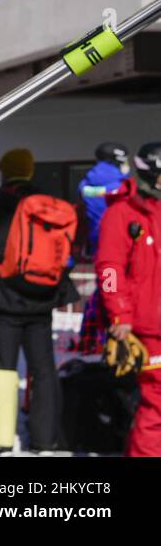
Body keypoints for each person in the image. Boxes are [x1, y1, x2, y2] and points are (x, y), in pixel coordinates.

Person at [0, 148, 78, 453]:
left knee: (3, 368)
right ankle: (45, 438)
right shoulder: (50, 204)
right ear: (29, 172)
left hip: (2, 300)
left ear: (4, 171)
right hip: (42, 299)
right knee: (43, 368)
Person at [96, 142, 161, 457]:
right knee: (157, 402)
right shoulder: (122, 214)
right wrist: (119, 314)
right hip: (148, 328)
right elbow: (109, 270)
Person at [76, 142, 132, 352]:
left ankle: (90, 335)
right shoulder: (124, 184)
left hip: (99, 244)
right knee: (118, 290)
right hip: (122, 245)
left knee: (105, 287)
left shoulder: (85, 183)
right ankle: (114, 336)